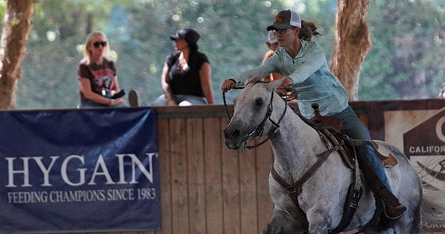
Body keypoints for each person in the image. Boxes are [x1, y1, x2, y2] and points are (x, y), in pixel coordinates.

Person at [221, 9, 406, 220]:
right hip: (309, 116)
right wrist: (234, 81)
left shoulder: (314, 51)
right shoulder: (279, 56)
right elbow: (259, 71)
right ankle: (297, 210)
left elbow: (305, 71)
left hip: (338, 111)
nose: (278, 35)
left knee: (363, 144)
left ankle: (388, 199)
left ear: (296, 30)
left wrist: (290, 80)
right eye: (276, 31)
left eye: (283, 30)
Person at [151, 28, 214, 106]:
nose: (175, 42)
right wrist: (169, 100)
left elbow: (206, 85)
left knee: (185, 107)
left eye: (178, 39)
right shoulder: (172, 58)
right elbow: (165, 81)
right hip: (172, 97)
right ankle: (139, 109)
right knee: (157, 105)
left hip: (195, 99)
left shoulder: (201, 60)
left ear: (187, 41)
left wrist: (212, 106)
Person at [77, 32, 132, 108]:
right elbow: (88, 94)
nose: (100, 47)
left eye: (103, 44)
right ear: (89, 47)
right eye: (96, 44)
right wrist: (110, 102)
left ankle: (136, 108)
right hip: (90, 103)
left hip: (108, 98)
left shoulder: (110, 63)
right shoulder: (84, 65)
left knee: (124, 108)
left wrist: (116, 97)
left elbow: (115, 88)